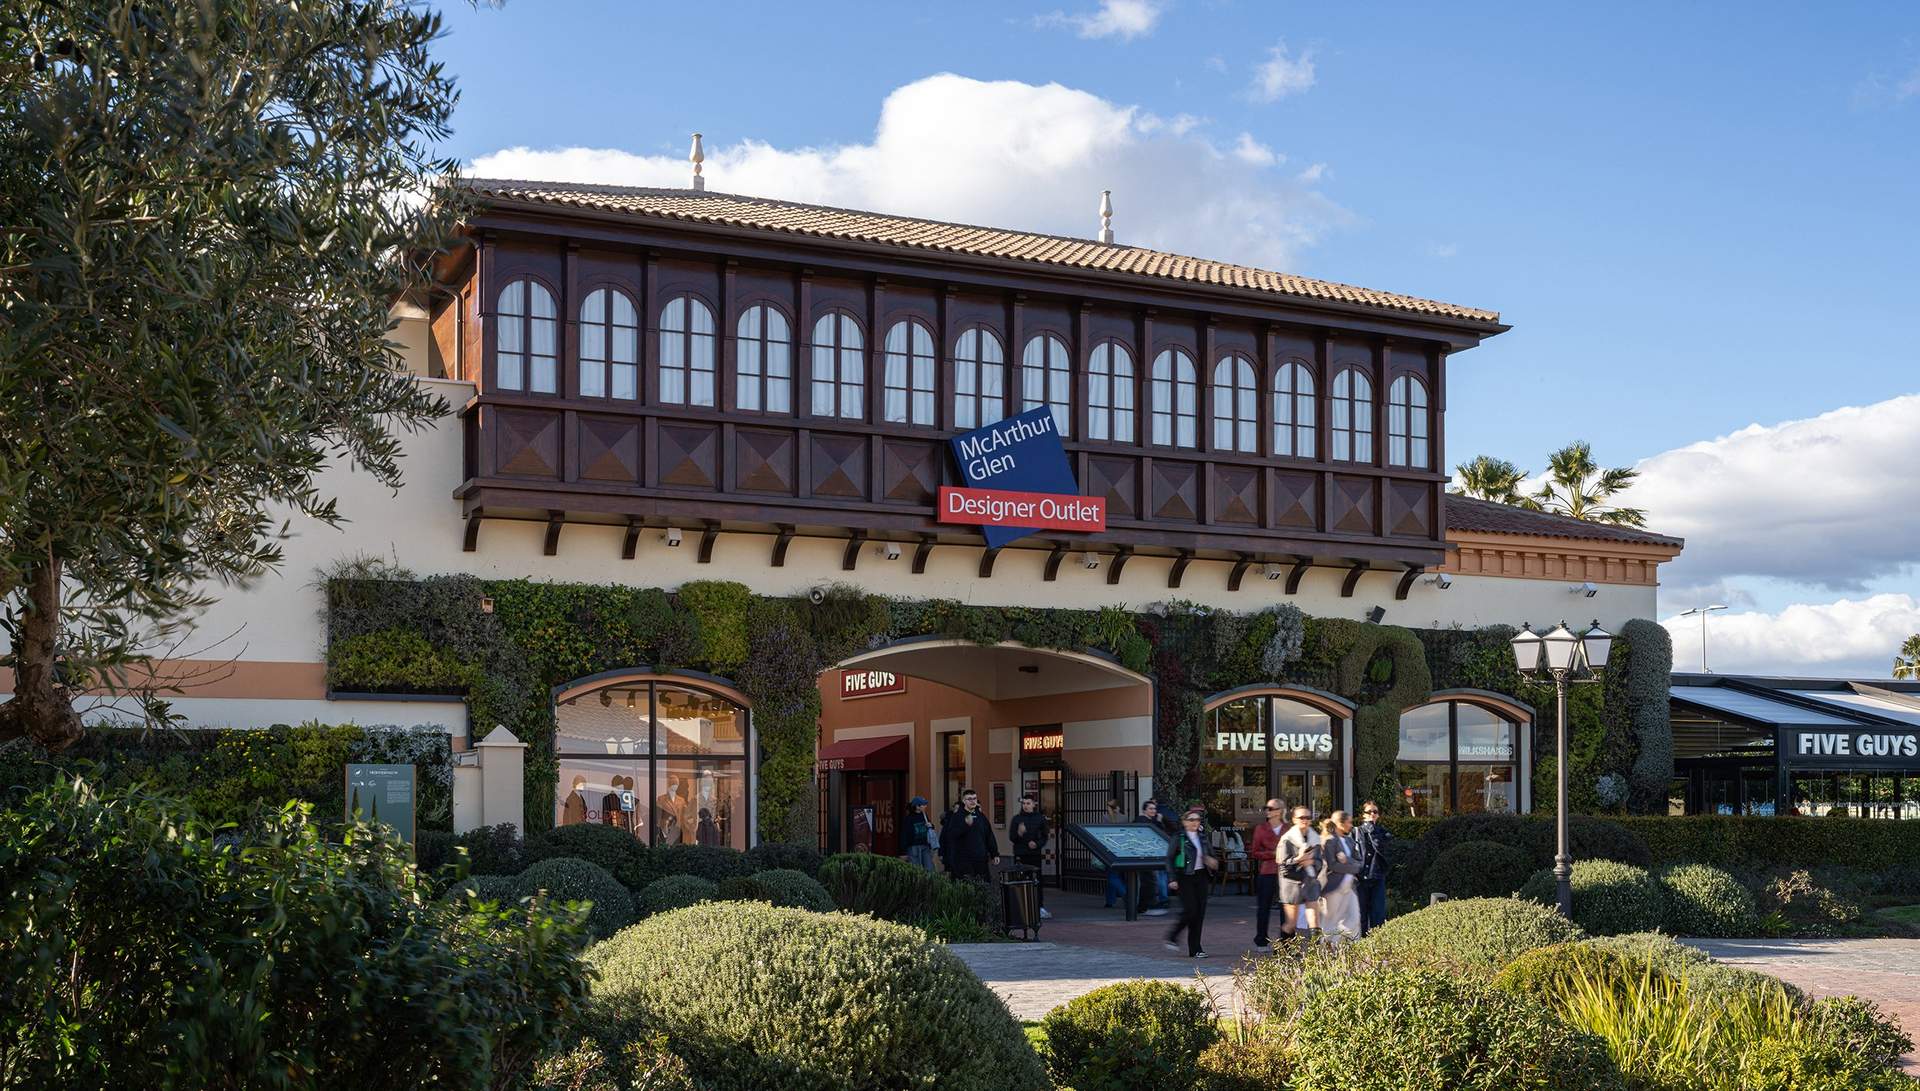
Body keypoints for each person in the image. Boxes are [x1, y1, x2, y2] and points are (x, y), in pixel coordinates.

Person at [1164, 807, 1219, 958]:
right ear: (1184, 822)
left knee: (1199, 913)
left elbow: (1212, 855)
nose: (1195, 822)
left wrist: (1212, 861)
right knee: (1190, 910)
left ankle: (1196, 949)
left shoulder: (1203, 837)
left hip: (1201, 876)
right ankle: (1173, 936)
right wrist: (1172, 878)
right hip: (1184, 876)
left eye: (1198, 820)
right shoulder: (1179, 837)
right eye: (1192, 819)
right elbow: (1169, 858)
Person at [1317, 812, 1362, 946]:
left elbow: (1359, 863)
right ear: (1340, 823)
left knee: (1354, 918)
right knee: (1330, 921)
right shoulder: (1329, 841)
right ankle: (1326, 949)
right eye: (1349, 822)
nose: (1351, 825)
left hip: (1349, 886)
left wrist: (1347, 860)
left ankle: (1342, 946)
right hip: (1333, 887)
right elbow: (1332, 865)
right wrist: (1353, 867)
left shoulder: (1350, 840)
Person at [1276, 805, 1321, 941]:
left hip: (1310, 882)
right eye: (1301, 817)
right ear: (1294, 819)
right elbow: (1283, 867)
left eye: (1308, 817)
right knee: (1291, 924)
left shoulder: (1315, 838)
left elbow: (1320, 862)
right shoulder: (1287, 839)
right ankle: (1283, 949)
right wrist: (1299, 860)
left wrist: (1312, 862)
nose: (1305, 820)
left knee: (1314, 922)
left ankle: (1316, 952)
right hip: (1292, 885)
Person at [1248, 798, 1287, 950]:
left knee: (1286, 908)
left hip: (1285, 872)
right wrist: (1273, 854)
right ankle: (1261, 940)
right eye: (1266, 808)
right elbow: (1255, 852)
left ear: (1280, 811)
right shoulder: (1261, 828)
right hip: (1267, 871)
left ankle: (1286, 942)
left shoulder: (1288, 828)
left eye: (1271, 808)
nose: (1267, 811)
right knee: (1263, 907)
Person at [940, 787, 1000, 881]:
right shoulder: (957, 817)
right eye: (969, 799)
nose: (972, 801)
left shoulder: (981, 816)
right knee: (967, 885)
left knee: (983, 885)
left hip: (980, 859)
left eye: (974, 798)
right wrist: (965, 825)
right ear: (964, 801)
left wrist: (994, 854)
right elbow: (951, 836)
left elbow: (989, 835)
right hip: (963, 861)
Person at [1008, 794, 1052, 919]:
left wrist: (1037, 844)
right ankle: (1020, 908)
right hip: (1020, 854)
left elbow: (1045, 836)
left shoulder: (1040, 818)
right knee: (1020, 880)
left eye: (1028, 803)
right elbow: (1012, 837)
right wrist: (1019, 833)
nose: (1025, 806)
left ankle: (1039, 907)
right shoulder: (1017, 819)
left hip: (1034, 854)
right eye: (1024, 803)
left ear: (1033, 804)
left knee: (1036, 880)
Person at [1353, 800, 1393, 934]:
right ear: (1363, 815)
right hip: (1360, 879)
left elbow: (1385, 851)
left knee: (1378, 916)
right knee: (1361, 916)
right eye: (1369, 812)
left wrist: (1373, 831)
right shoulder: (1356, 832)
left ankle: (1376, 943)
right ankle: (1361, 943)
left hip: (1377, 878)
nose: (1372, 814)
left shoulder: (1383, 833)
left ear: (1378, 815)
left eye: (1375, 812)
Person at [1136, 800, 1170, 916]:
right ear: (1144, 810)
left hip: (1150, 854)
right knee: (1149, 881)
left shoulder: (1152, 821)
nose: (1153, 811)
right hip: (1143, 855)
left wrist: (1159, 821)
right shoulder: (1141, 820)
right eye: (1150, 808)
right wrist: (1158, 821)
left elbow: (1161, 833)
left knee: (1149, 881)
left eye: (1154, 809)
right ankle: (1145, 906)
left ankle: (1143, 907)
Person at [1101, 798, 1127, 908]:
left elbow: (1103, 833)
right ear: (1118, 807)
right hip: (1122, 848)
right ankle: (1110, 900)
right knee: (1114, 874)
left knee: (1111, 876)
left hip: (1109, 848)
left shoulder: (1105, 817)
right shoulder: (1124, 817)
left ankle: (1126, 895)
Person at [904, 796, 937, 872]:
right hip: (913, 846)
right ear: (917, 806)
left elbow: (930, 826)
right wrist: (903, 851)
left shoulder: (924, 815)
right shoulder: (909, 818)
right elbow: (905, 834)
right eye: (923, 805)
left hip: (925, 845)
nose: (925, 806)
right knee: (916, 870)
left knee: (930, 868)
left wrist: (931, 825)